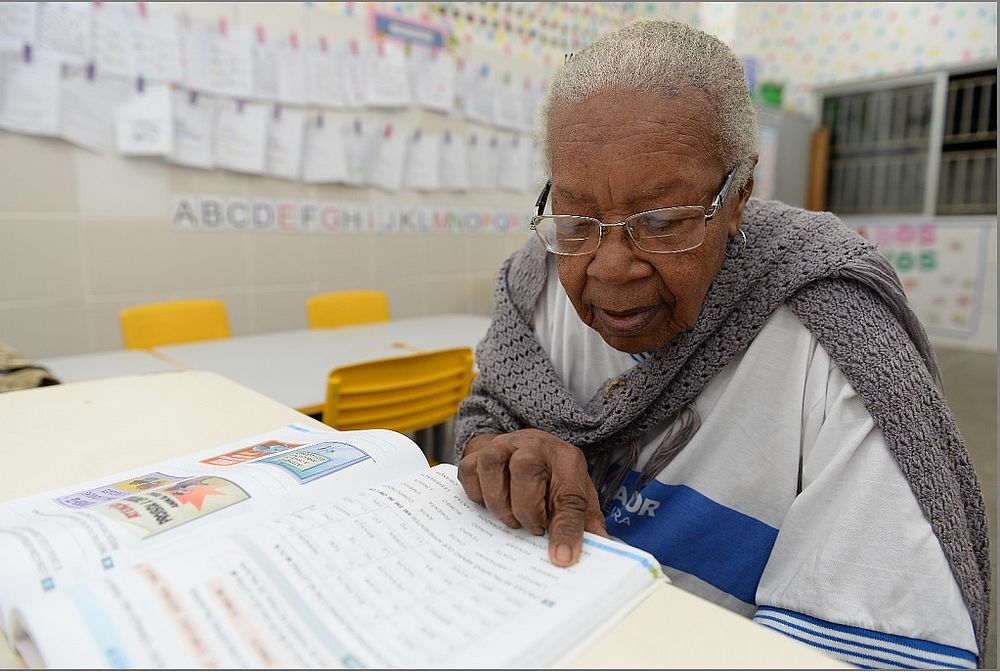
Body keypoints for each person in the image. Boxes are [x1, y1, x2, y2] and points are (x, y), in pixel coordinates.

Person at [454, 20, 989, 670]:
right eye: (577, 219)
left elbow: (878, 642)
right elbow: (489, 417)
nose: (610, 267)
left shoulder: (839, 340)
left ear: (738, 198)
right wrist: (497, 450)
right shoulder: (531, 285)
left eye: (661, 222)